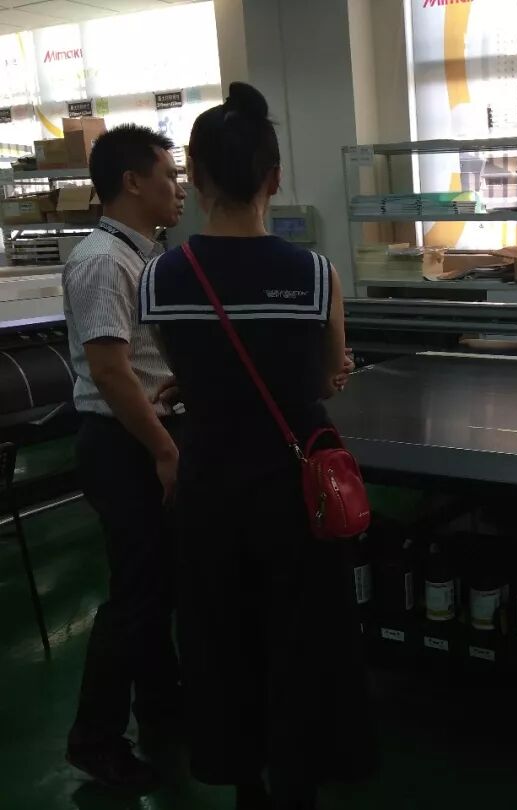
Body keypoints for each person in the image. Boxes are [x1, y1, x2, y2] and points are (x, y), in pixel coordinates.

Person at [138, 82, 369, 810]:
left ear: (198, 179)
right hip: (294, 487)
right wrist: (326, 371)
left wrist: (196, 385)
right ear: (274, 178)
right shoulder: (315, 275)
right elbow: (324, 378)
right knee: (302, 636)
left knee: (221, 635)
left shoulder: (161, 277)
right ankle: (297, 778)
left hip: (209, 482)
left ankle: (244, 781)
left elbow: (189, 365)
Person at [62, 125, 187, 788]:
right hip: (122, 443)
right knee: (135, 594)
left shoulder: (144, 256)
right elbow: (111, 372)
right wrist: (164, 450)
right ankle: (95, 739)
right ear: (133, 182)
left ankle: (161, 707)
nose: (179, 189)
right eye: (169, 176)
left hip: (142, 434)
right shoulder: (103, 261)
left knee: (157, 585)